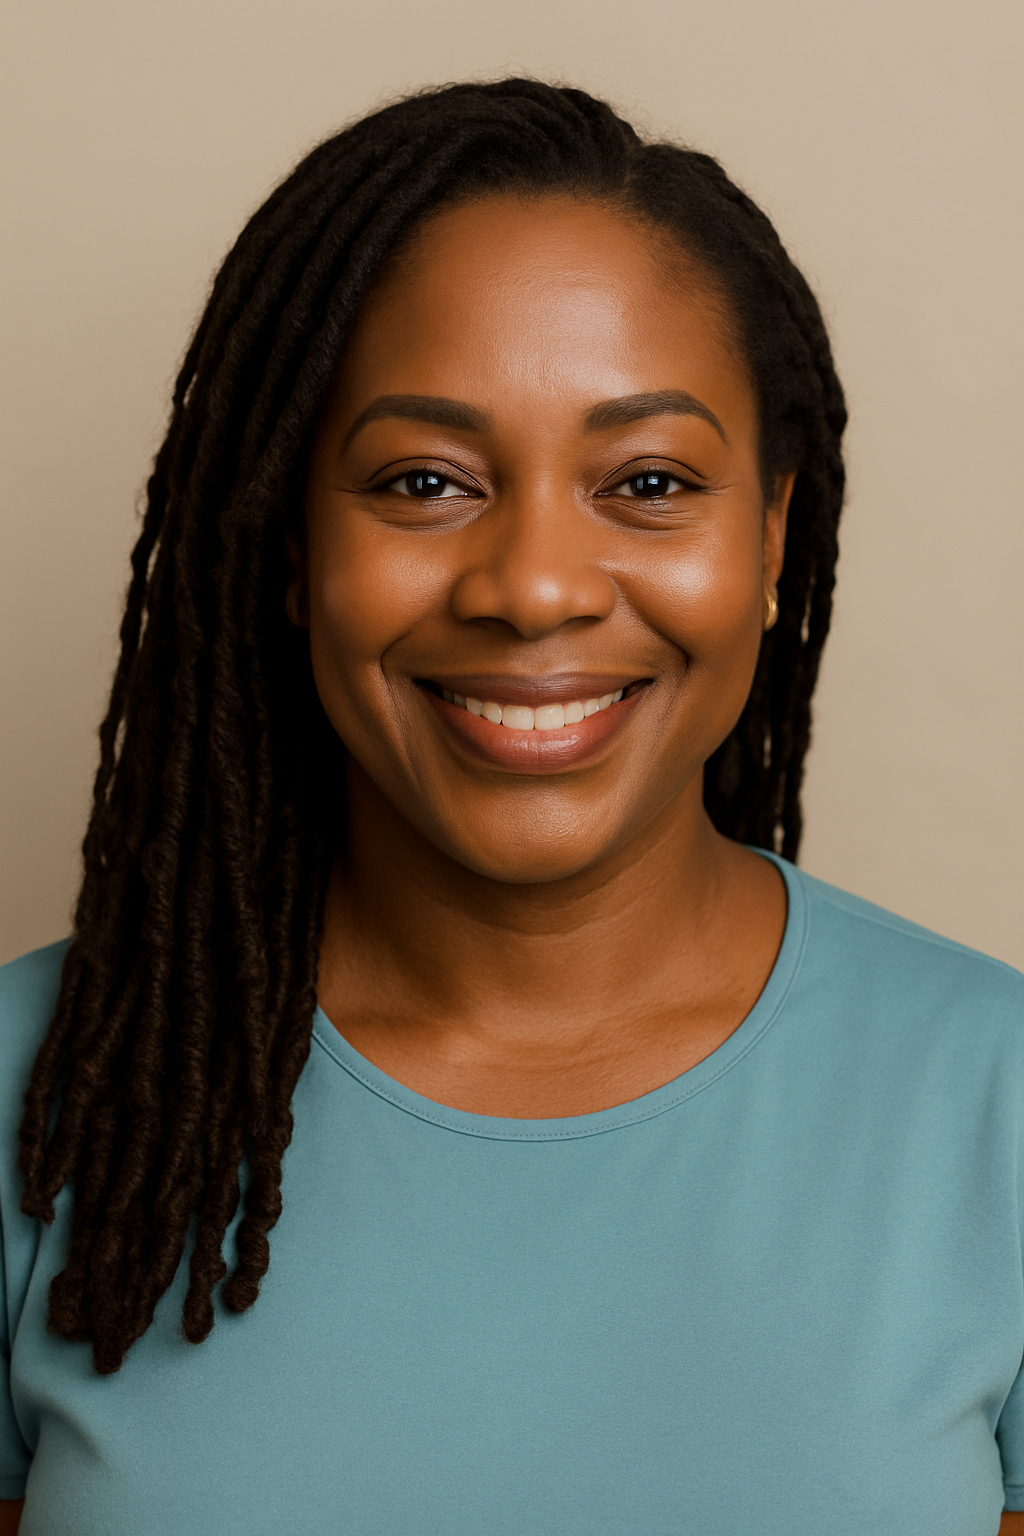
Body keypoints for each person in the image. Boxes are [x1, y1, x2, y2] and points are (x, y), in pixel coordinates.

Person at [0, 77, 1021, 1536]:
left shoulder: (997, 1107)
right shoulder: (39, 1100)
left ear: (774, 535)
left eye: (649, 480)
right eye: (424, 480)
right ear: (291, 544)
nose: (534, 585)